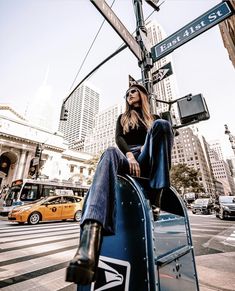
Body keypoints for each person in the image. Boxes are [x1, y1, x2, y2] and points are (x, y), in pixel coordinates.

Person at [66, 83, 174, 285]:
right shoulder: (123, 118)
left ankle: (157, 195)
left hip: (148, 156)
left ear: (142, 94)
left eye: (133, 91)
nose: (129, 95)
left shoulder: (155, 119)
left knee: (163, 125)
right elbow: (119, 139)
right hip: (129, 157)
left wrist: (143, 151)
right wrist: (130, 156)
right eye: (126, 94)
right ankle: (89, 244)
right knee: (108, 152)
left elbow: (163, 141)